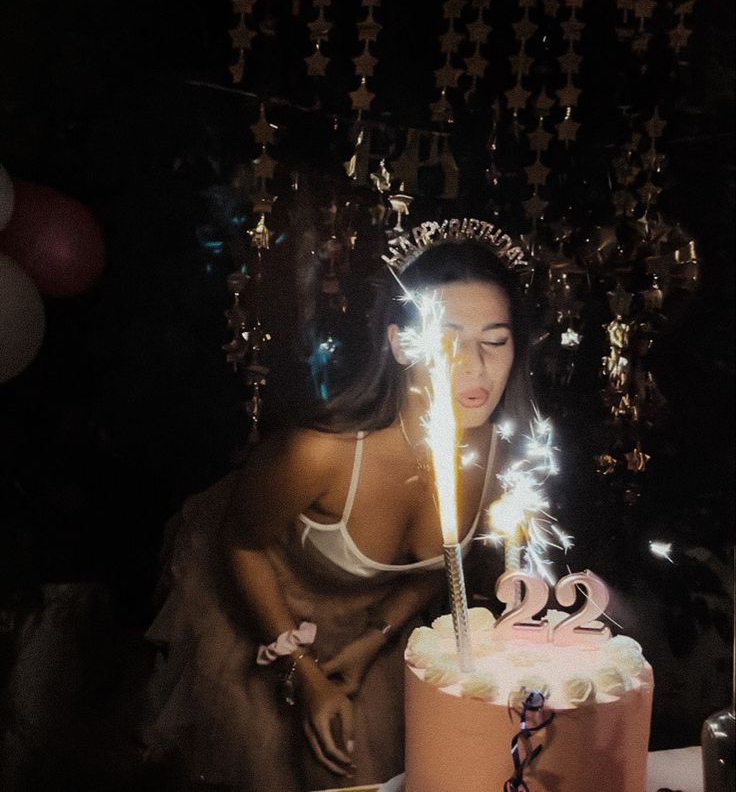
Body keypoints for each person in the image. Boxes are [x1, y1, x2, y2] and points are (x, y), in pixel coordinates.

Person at [144, 230, 534, 791]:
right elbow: (239, 545)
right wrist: (303, 673)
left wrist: (372, 641)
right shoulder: (317, 454)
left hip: (370, 632)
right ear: (401, 345)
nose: (474, 366)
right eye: (448, 338)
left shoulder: (502, 459)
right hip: (261, 613)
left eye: (495, 341)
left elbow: (436, 568)